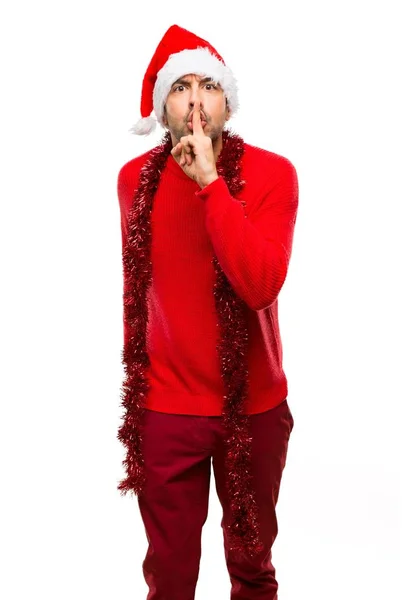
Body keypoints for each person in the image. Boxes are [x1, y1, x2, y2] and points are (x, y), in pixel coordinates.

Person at [116, 23, 299, 600]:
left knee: (252, 568)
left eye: (209, 86)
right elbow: (137, 293)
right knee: (168, 578)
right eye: (181, 87)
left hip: (254, 408)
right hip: (166, 409)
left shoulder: (274, 175)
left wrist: (212, 185)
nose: (195, 101)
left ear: (228, 101)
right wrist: (139, 399)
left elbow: (260, 283)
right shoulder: (132, 183)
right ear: (161, 105)